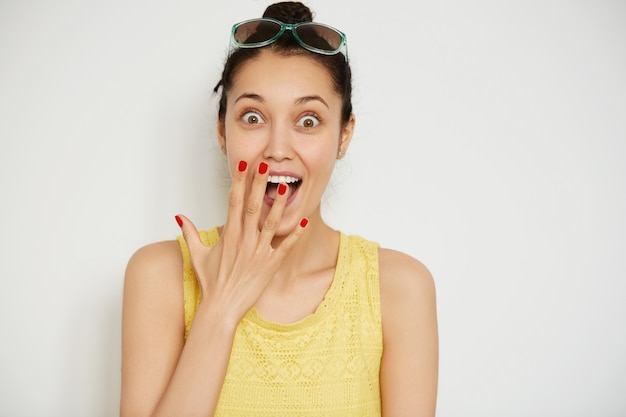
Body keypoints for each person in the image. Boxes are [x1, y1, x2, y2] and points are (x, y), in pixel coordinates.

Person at [120, 2, 438, 416]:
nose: (278, 149)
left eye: (308, 120)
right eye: (253, 117)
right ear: (223, 133)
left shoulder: (399, 289)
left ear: (344, 136)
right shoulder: (160, 276)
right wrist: (220, 308)